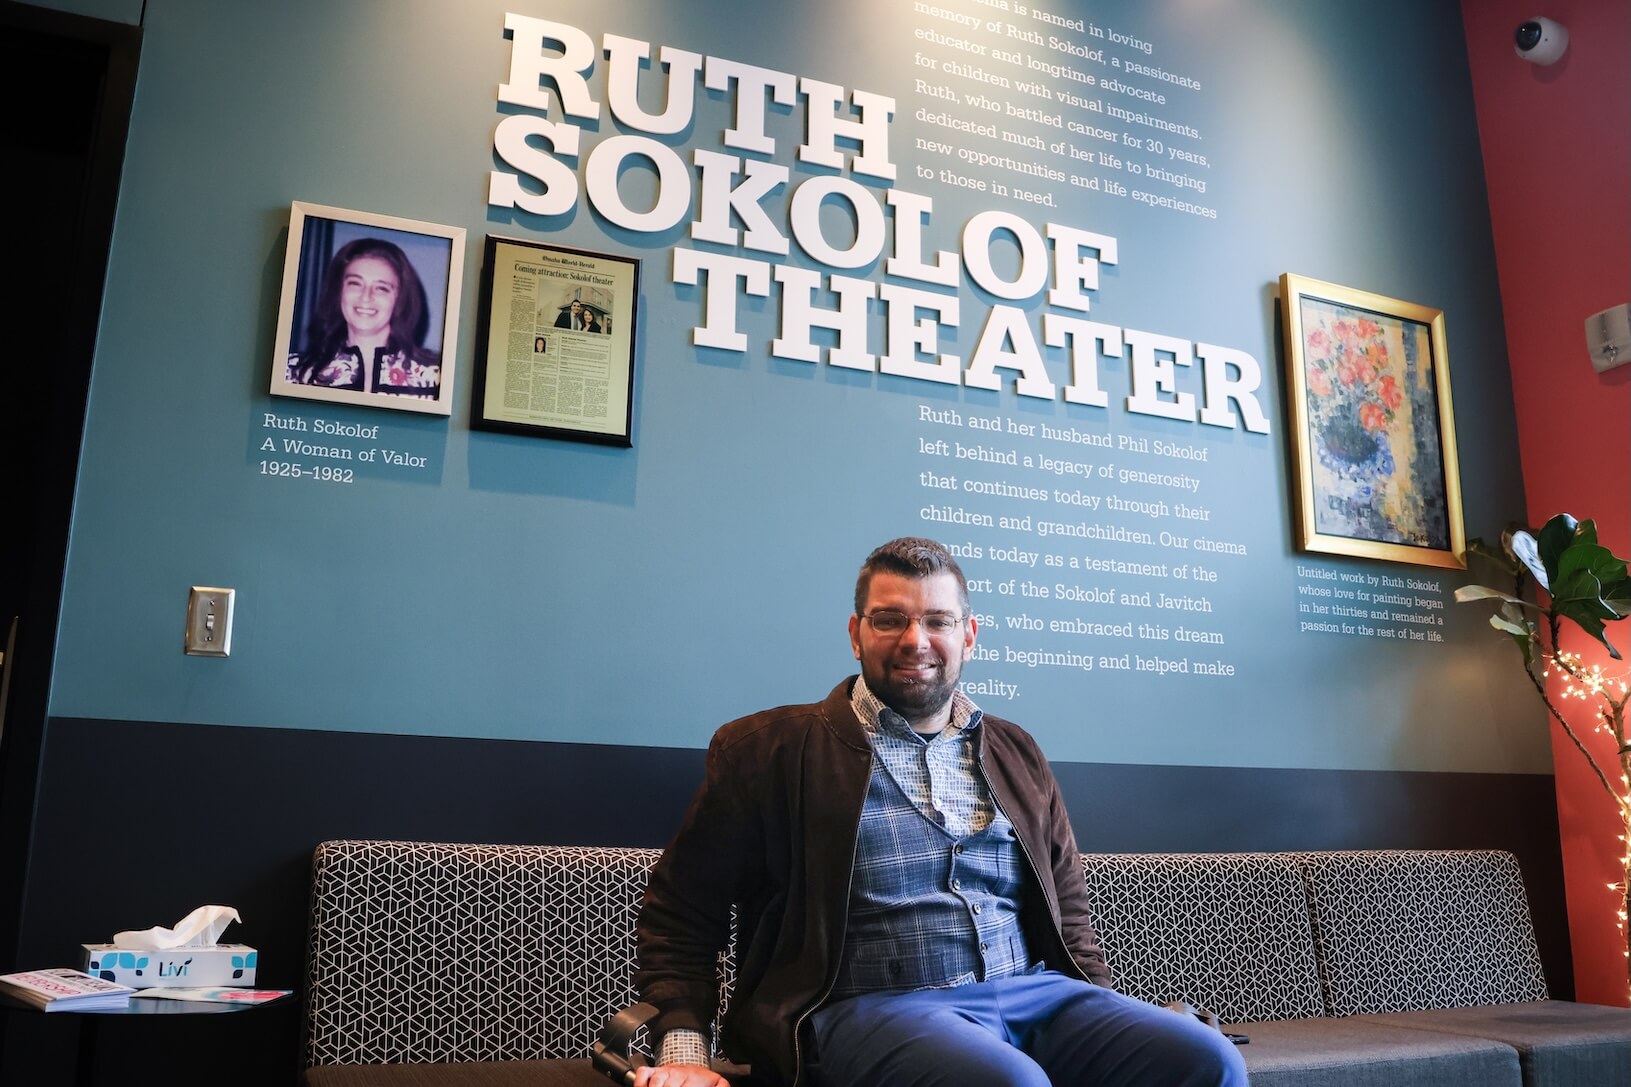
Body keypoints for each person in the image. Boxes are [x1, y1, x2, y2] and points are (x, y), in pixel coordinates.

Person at [633, 538, 1248, 1087]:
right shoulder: (766, 751)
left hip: (1033, 992)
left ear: (969, 635)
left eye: (938, 620)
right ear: (855, 633)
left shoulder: (1016, 750)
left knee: (1207, 1060)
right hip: (869, 1008)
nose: (915, 640)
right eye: (890, 619)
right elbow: (682, 917)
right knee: (1007, 1083)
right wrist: (686, 1049)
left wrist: (1109, 1008)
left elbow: (1068, 908)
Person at [285, 237, 440, 397]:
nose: (366, 297)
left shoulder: (435, 377)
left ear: (400, 299)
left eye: (381, 288)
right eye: (355, 283)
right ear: (339, 292)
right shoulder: (293, 373)